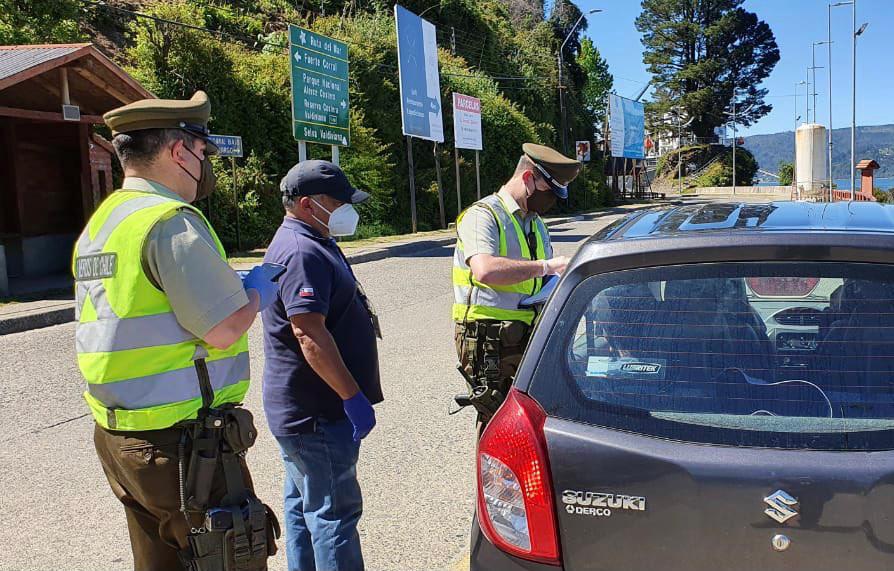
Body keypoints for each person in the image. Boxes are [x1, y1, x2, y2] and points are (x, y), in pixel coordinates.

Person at [72, 91, 280, 571]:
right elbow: (224, 327)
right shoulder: (169, 221)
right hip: (185, 445)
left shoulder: (104, 222)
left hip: (121, 437)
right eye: (204, 153)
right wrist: (258, 292)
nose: (205, 164)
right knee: (228, 557)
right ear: (178, 151)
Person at [260, 160, 383, 571]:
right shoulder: (301, 251)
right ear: (309, 204)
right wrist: (352, 398)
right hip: (318, 414)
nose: (349, 208)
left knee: (304, 508)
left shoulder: (314, 237)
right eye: (341, 201)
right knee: (334, 515)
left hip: (306, 411)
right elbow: (308, 334)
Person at [453, 143, 581, 421]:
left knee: (526, 419)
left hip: (526, 331)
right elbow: (484, 270)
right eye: (550, 192)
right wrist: (544, 267)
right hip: (489, 337)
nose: (552, 201)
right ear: (527, 179)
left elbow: (539, 278)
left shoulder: (535, 222)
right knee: (496, 418)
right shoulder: (482, 215)